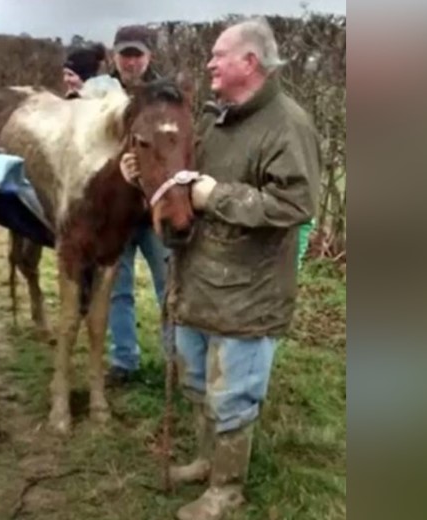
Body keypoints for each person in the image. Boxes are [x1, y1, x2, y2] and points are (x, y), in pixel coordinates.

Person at [119, 18, 320, 520]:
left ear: (249, 62)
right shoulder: (215, 118)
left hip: (247, 293)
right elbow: (181, 173)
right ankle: (206, 460)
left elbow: (296, 204)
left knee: (233, 395)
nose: (208, 62)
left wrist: (218, 196)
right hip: (198, 278)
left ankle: (226, 491)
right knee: (195, 382)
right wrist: (143, 173)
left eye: (218, 55)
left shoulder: (286, 124)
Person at [105, 25, 168, 385]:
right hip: (113, 211)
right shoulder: (98, 93)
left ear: (149, 57)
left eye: (137, 54)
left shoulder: (165, 95)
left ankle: (178, 358)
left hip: (153, 209)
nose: (130, 61)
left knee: (169, 285)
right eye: (124, 54)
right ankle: (124, 360)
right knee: (118, 287)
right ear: (114, 56)